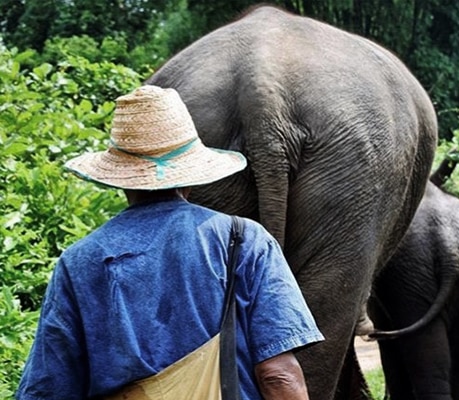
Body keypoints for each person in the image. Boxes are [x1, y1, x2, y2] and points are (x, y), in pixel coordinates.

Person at [16, 85, 324, 399]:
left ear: (121, 181)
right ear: (191, 175)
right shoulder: (244, 241)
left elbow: (49, 387)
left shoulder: (80, 261)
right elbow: (277, 375)